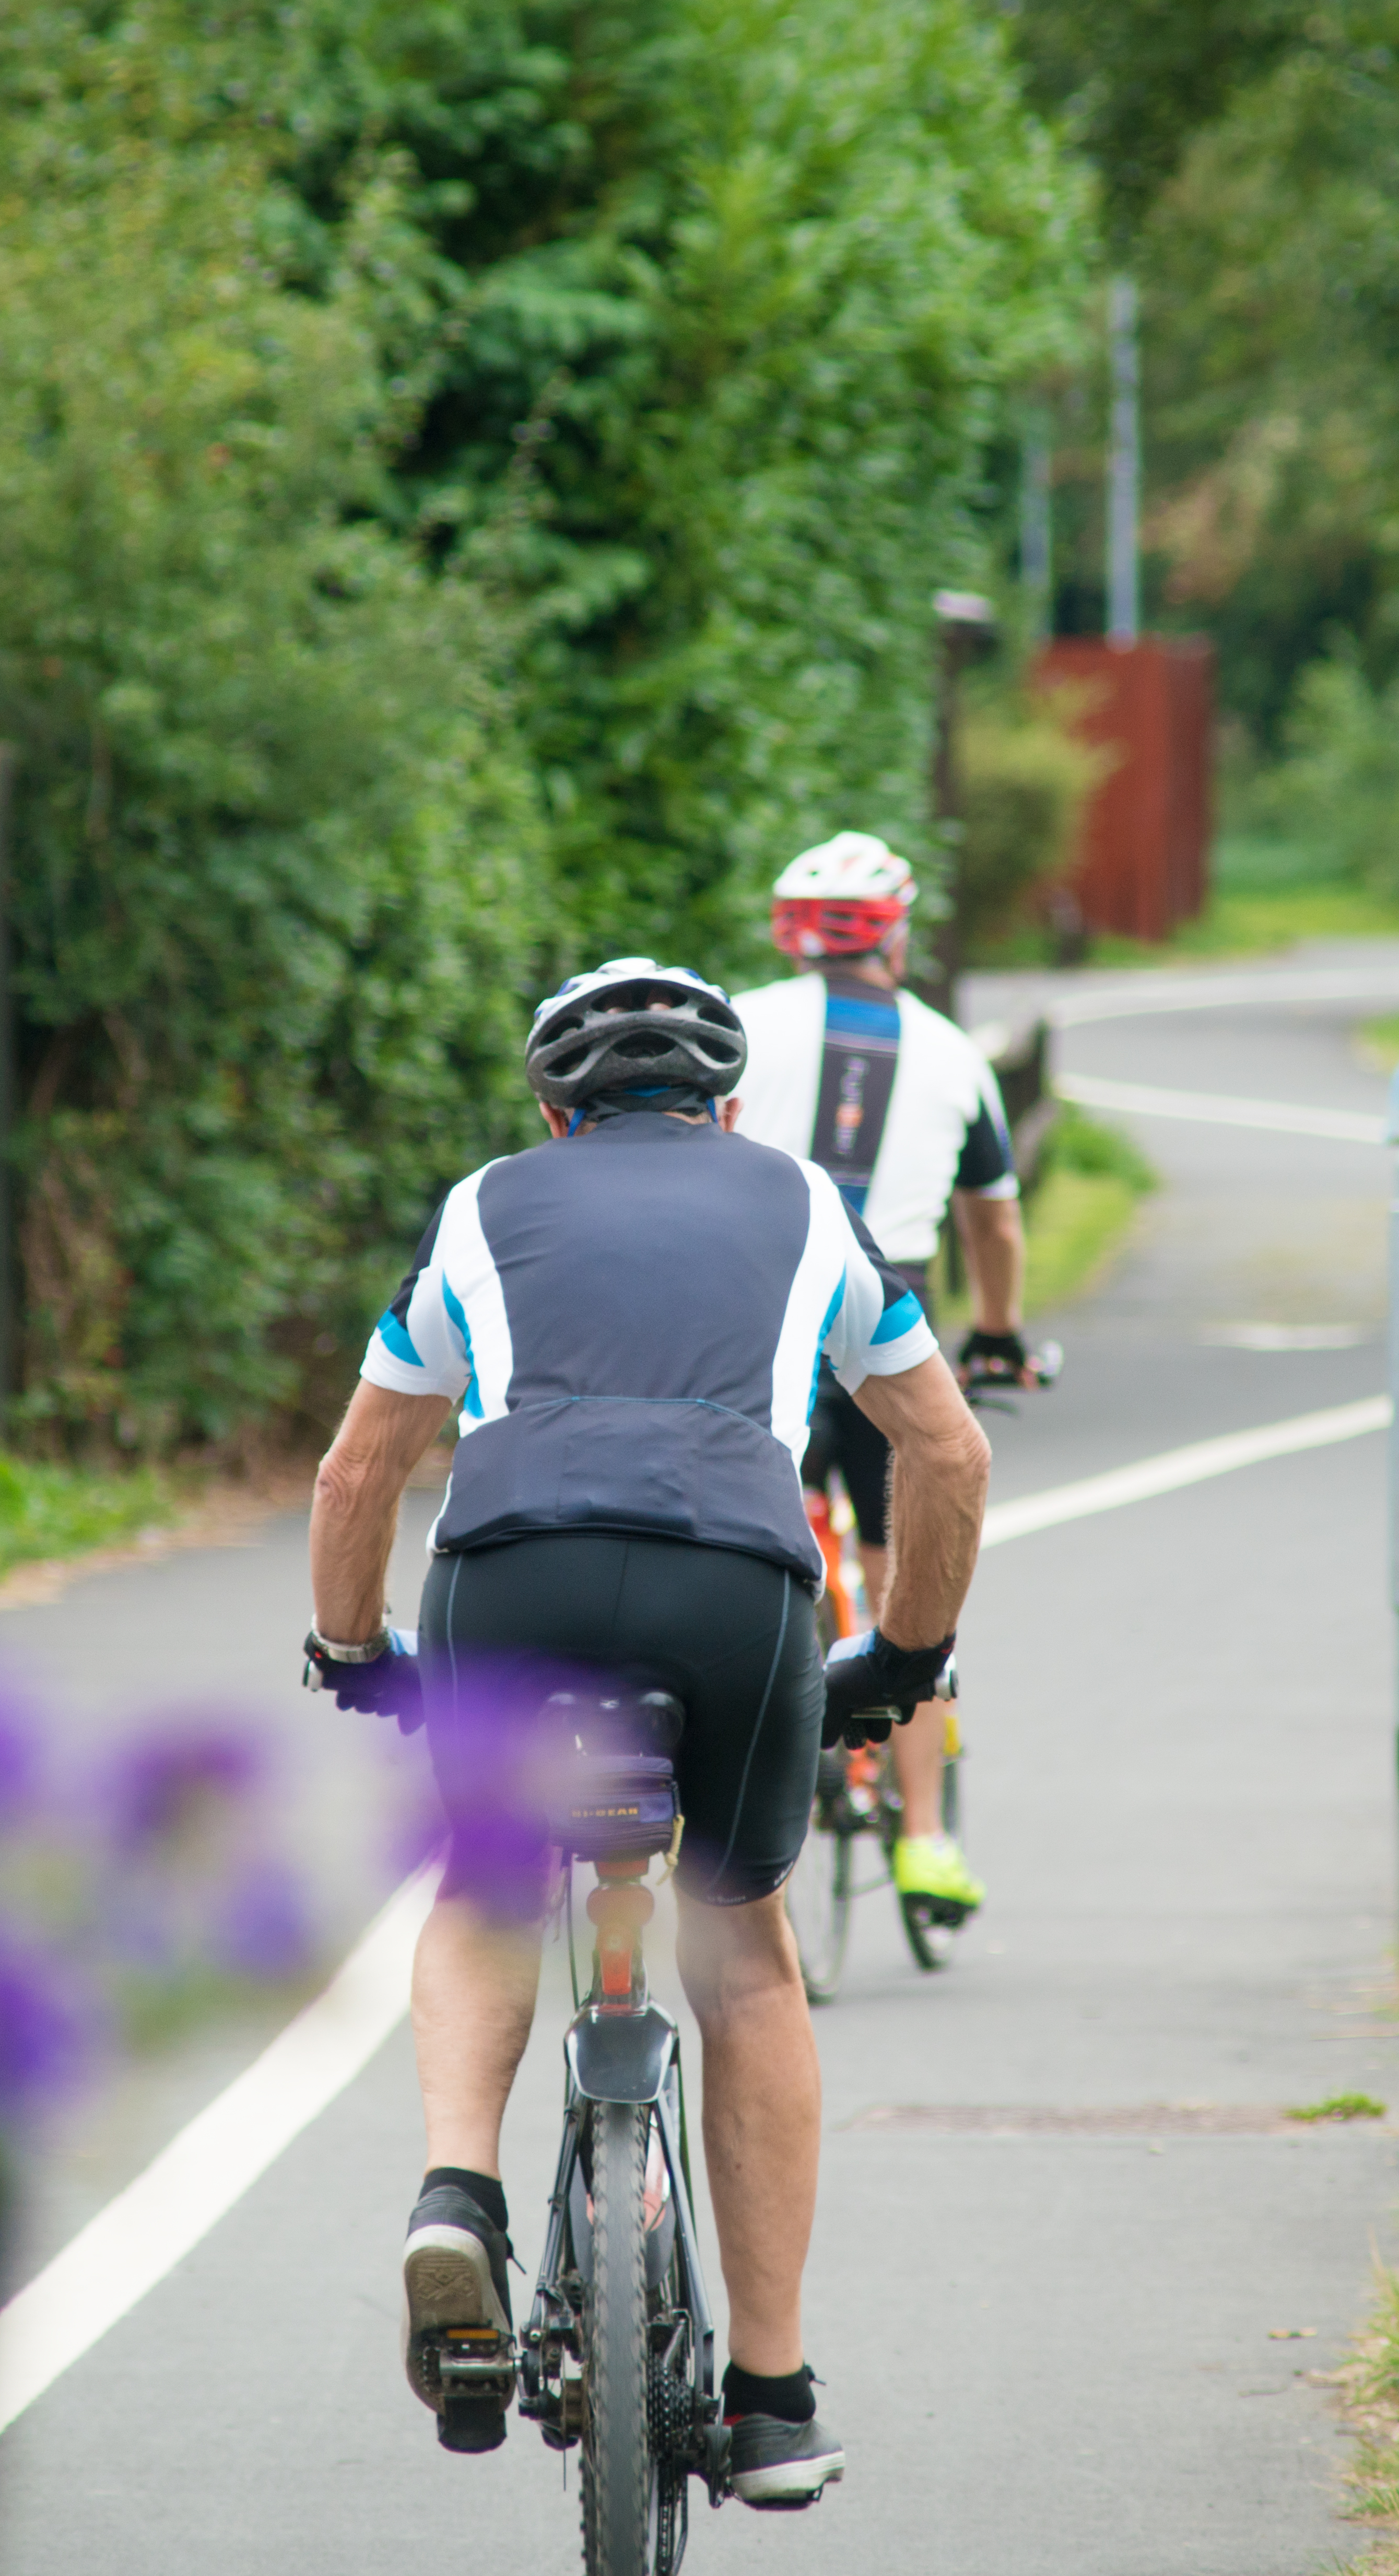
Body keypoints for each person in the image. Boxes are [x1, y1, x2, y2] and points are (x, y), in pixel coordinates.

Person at [301, 958, 992, 2502]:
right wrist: (909, 1653)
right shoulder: (808, 1200)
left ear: (552, 1113)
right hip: (736, 1587)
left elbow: (358, 1474)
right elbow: (946, 1450)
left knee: (486, 1880)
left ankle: (455, 2194)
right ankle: (770, 2391)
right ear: (731, 1103)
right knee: (741, 1944)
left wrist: (354, 1648)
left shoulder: (484, 1206)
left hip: (514, 1567)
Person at [726, 832, 1037, 1916]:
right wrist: (997, 1330)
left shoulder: (737, 1025)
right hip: (885, 1314)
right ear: (895, 932)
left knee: (736, 1539)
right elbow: (992, 1220)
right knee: (907, 1579)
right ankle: (928, 1844)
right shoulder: (951, 1052)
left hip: (757, 1312)